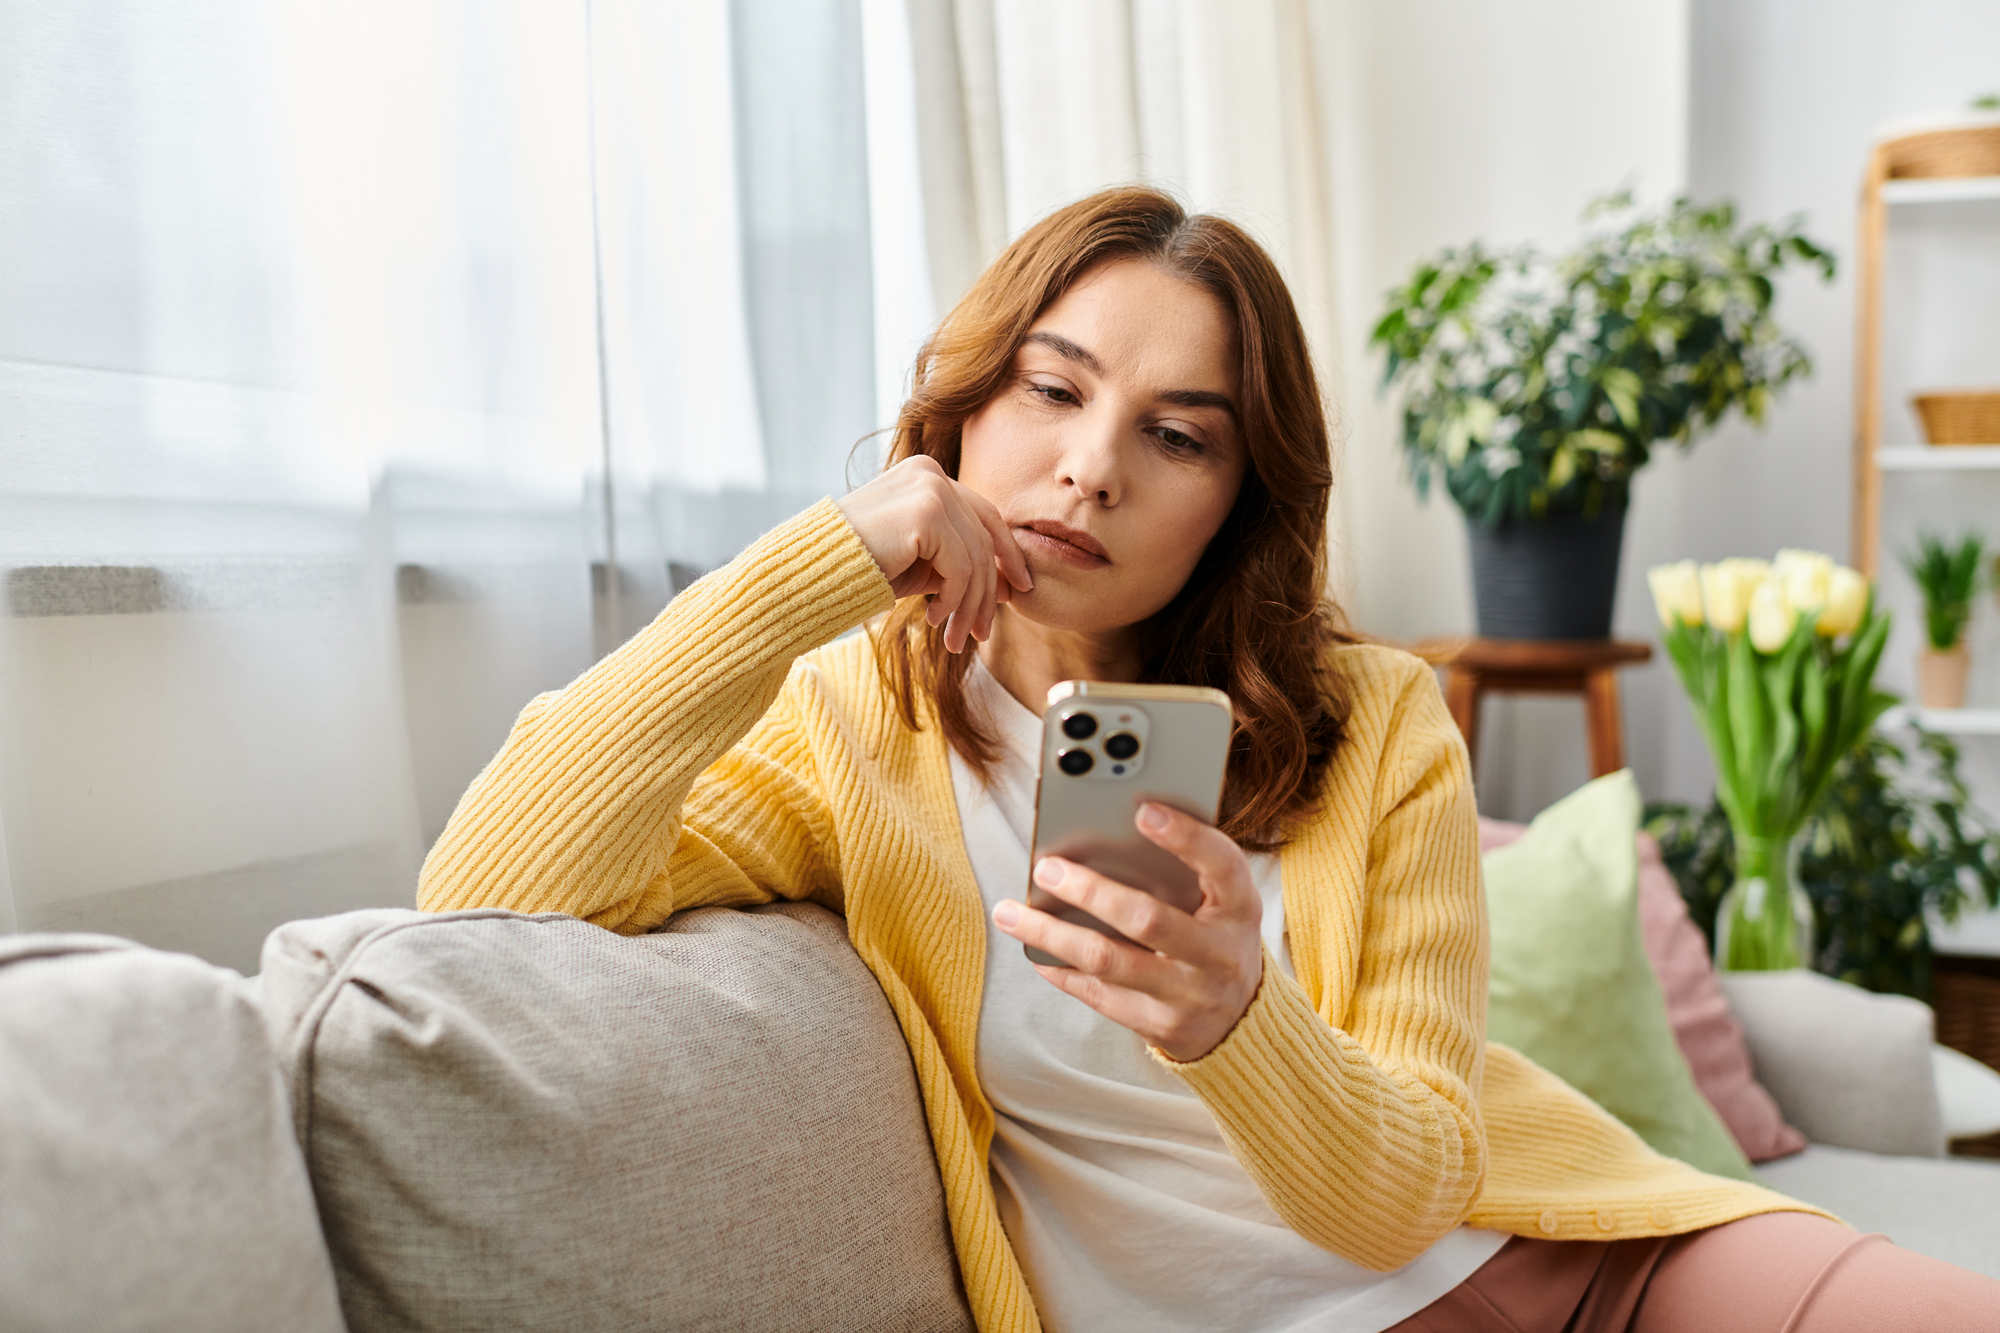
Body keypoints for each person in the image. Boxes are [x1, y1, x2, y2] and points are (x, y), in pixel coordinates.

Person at [418, 187, 1999, 1332]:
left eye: (1178, 435)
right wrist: (819, 559)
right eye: (1051, 389)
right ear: (965, 408)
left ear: (1235, 502)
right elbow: (485, 886)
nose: (1088, 467)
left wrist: (1241, 1017)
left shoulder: (1379, 721)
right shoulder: (856, 725)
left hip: (1593, 1258)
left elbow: (1405, 1190)